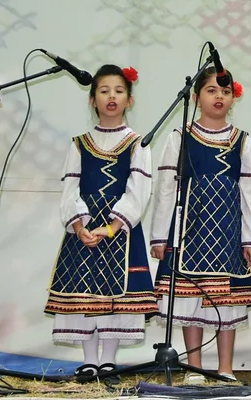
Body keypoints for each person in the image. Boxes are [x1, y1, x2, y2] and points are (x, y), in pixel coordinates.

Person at [151, 66, 251, 382]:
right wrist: (161, 235)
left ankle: (226, 367)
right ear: (197, 96)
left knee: (226, 300)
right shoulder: (180, 138)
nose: (219, 97)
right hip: (189, 230)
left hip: (229, 229)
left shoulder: (243, 141)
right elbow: (166, 188)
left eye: (225, 92)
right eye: (212, 90)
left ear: (234, 98)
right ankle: (195, 366)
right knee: (191, 298)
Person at [45, 64, 156, 383]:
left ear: (129, 100)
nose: (112, 96)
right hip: (84, 231)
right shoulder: (79, 143)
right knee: (85, 293)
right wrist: (80, 226)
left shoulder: (138, 144)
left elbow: (139, 190)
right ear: (92, 99)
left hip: (119, 231)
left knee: (116, 297)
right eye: (104, 91)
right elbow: (70, 186)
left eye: (119, 91)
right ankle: (89, 360)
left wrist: (112, 227)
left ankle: (108, 360)